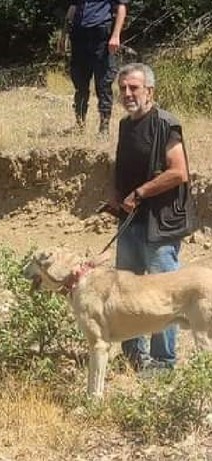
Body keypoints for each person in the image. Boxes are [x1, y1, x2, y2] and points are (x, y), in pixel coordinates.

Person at [110, 63, 197, 372]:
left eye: (133, 88)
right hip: (130, 222)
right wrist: (117, 196)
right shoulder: (125, 125)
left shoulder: (165, 123)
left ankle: (162, 363)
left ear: (149, 90)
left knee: (164, 297)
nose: (127, 94)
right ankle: (133, 355)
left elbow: (179, 172)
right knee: (125, 291)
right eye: (122, 89)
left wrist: (141, 192)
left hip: (160, 225)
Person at [63, 0, 128, 135]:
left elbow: (122, 6)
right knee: (80, 84)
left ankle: (104, 128)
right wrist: (64, 35)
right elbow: (73, 7)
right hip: (79, 36)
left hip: (101, 38)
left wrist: (116, 36)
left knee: (103, 84)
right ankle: (80, 124)